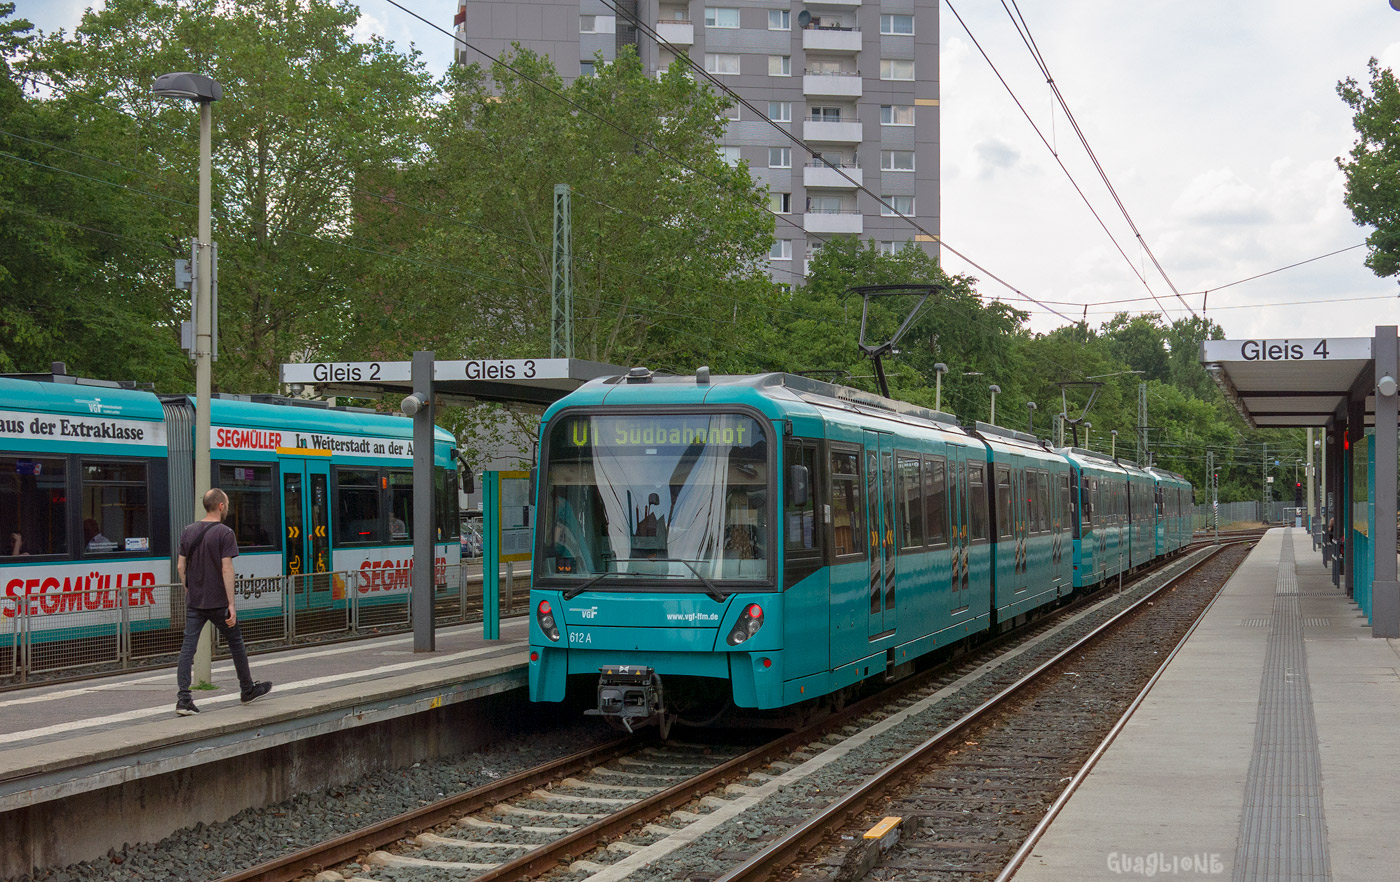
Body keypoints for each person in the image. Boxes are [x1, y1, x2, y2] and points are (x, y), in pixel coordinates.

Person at [174, 488, 272, 716]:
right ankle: (247, 689)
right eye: (226, 504)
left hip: (195, 602)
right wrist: (231, 604)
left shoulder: (188, 531)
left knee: (188, 648)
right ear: (220, 506)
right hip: (218, 601)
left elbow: (180, 566)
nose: (227, 508)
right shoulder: (225, 533)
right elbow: (227, 568)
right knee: (235, 642)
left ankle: (183, 699)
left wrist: (190, 590)